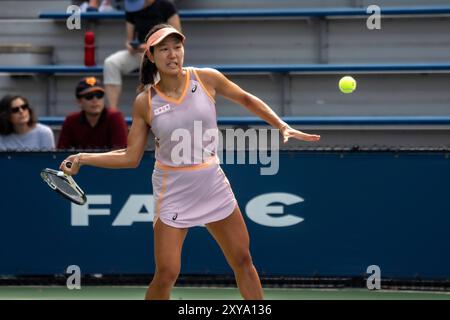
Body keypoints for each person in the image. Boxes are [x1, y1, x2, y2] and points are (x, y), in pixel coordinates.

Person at [60, 24, 321, 300]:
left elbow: (246, 99)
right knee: (167, 273)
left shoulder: (207, 78)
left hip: (211, 182)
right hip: (173, 189)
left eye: (177, 47)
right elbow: (130, 156)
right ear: (151, 56)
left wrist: (281, 125)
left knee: (243, 260)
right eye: (164, 49)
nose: (173, 54)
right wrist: (83, 158)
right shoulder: (144, 102)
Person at [103, 0, 182, 110]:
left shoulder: (166, 5)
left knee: (153, 70)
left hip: (162, 54)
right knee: (111, 63)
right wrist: (131, 46)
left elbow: (177, 37)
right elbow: (129, 39)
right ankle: (113, 112)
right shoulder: (131, 9)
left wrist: (152, 45)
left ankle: (153, 116)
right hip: (141, 53)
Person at [57, 77, 128, 150]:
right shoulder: (71, 120)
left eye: (99, 95)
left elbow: (120, 153)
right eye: (89, 96)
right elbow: (61, 153)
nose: (95, 100)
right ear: (79, 102)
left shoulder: (115, 117)